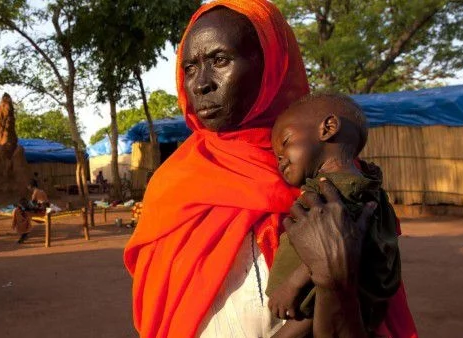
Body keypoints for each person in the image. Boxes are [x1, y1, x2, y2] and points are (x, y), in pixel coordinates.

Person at [124, 1, 417, 337]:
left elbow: (368, 312)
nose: (200, 84)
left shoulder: (332, 180)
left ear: (271, 66)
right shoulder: (172, 185)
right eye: (189, 68)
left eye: (220, 60)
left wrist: (337, 283)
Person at [266, 93, 402, 337]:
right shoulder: (366, 186)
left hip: (314, 304)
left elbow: (331, 252)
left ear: (328, 128)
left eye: (285, 142)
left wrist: (292, 284)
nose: (280, 159)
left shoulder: (335, 191)